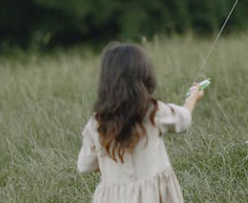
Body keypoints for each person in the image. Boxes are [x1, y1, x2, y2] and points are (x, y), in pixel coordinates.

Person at [77, 42, 205, 202]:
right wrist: (192, 98)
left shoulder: (96, 123)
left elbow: (85, 165)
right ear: (144, 77)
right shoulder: (152, 111)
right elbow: (183, 119)